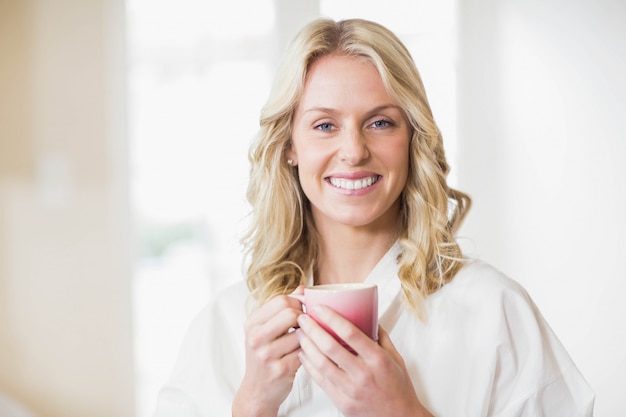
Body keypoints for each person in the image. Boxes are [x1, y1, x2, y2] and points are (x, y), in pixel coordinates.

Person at [154, 18, 594, 417]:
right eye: (325, 125)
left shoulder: (494, 312)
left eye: (380, 123)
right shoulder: (228, 325)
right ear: (289, 146)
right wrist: (251, 405)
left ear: (412, 138)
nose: (353, 151)